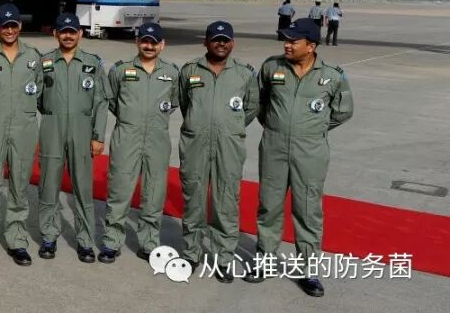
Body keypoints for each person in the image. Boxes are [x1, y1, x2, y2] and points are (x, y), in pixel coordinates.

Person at [244, 18, 353, 298]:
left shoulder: (332, 76)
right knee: (269, 206)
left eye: (293, 41)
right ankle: (265, 260)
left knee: (307, 210)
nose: (287, 45)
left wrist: (313, 129)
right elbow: (259, 102)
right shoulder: (272, 67)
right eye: (286, 40)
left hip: (311, 151)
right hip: (274, 146)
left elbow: (343, 111)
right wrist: (276, 125)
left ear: (311, 46)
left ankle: (309, 271)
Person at [176, 21, 259, 282]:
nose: (220, 44)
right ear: (206, 42)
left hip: (229, 146)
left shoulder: (245, 73)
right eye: (215, 39)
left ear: (232, 43)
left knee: (226, 202)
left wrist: (230, 126)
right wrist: (199, 123)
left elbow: (251, 107)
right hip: (195, 144)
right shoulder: (190, 70)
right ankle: (191, 253)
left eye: (225, 40)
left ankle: (223, 258)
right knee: (194, 200)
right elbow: (185, 103)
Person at [99, 23, 180, 264]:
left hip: (157, 138)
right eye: (145, 41)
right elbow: (111, 100)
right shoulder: (121, 70)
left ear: (162, 45)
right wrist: (131, 118)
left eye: (154, 42)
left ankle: (149, 243)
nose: (149, 46)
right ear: (137, 42)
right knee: (119, 190)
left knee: (154, 193)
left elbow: (175, 102)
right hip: (127, 136)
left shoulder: (172, 73)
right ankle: (112, 241)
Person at [0, 2, 43, 267]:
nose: (9, 30)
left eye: (13, 25)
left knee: (19, 187)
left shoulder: (33, 57)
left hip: (23, 130)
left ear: (20, 26)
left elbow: (38, 92)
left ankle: (17, 240)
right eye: (5, 26)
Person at [37, 12, 108, 263]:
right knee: (48, 186)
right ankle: (49, 236)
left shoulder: (92, 63)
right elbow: (37, 97)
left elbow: (101, 102)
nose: (68, 36)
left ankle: (85, 241)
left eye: (72, 31)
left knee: (83, 188)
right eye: (63, 31)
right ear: (55, 34)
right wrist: (51, 116)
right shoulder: (44, 62)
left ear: (80, 33)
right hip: (52, 127)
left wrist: (98, 135)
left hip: (82, 129)